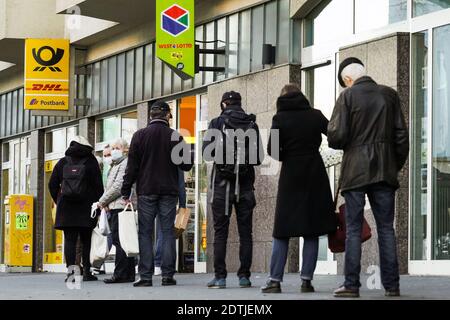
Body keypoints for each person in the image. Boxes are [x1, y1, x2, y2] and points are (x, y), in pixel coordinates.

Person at [328, 57, 409, 298]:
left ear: (348, 80)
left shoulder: (347, 97)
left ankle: (351, 285)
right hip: (384, 170)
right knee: (386, 229)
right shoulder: (389, 95)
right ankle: (392, 286)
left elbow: (336, 136)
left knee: (353, 229)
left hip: (355, 171)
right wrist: (394, 166)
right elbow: (401, 137)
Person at [261, 84, 337, 294]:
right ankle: (306, 281)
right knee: (311, 230)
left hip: (291, 176)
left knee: (282, 231)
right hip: (315, 172)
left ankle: (275, 281)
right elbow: (334, 134)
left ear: (282, 98)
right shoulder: (315, 115)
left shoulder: (280, 118)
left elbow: (273, 150)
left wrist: (289, 155)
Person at [121, 101, 193, 287]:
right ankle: (167, 275)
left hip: (146, 190)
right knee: (167, 231)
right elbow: (186, 165)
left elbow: (132, 167)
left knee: (145, 233)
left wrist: (125, 190)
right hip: (168, 191)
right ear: (168, 115)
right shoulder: (175, 136)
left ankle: (145, 276)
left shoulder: (139, 136)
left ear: (151, 116)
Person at [203, 91, 264, 289]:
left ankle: (220, 277)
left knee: (220, 233)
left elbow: (207, 152)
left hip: (222, 186)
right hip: (245, 185)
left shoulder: (216, 123)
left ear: (223, 104)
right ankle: (244, 276)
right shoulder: (251, 124)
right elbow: (258, 158)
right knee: (246, 232)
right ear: (239, 103)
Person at [48, 136, 104, 282]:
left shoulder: (62, 162)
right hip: (86, 207)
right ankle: (86, 272)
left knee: (70, 240)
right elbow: (98, 187)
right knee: (86, 240)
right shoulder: (91, 162)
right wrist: (97, 205)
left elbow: (52, 184)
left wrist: (59, 200)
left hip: (67, 208)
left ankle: (71, 273)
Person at [98, 138, 136, 284]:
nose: (113, 151)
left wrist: (102, 201)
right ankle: (128, 273)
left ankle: (120, 273)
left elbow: (118, 186)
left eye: (116, 147)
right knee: (122, 240)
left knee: (119, 240)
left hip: (120, 206)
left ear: (125, 149)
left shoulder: (124, 163)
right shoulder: (116, 164)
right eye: (112, 148)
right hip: (115, 205)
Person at [154, 168, 187, 276]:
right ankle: (163, 265)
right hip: (169, 198)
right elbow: (181, 183)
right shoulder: (176, 157)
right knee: (165, 233)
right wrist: (182, 204)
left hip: (150, 195)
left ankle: (154, 263)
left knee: (149, 232)